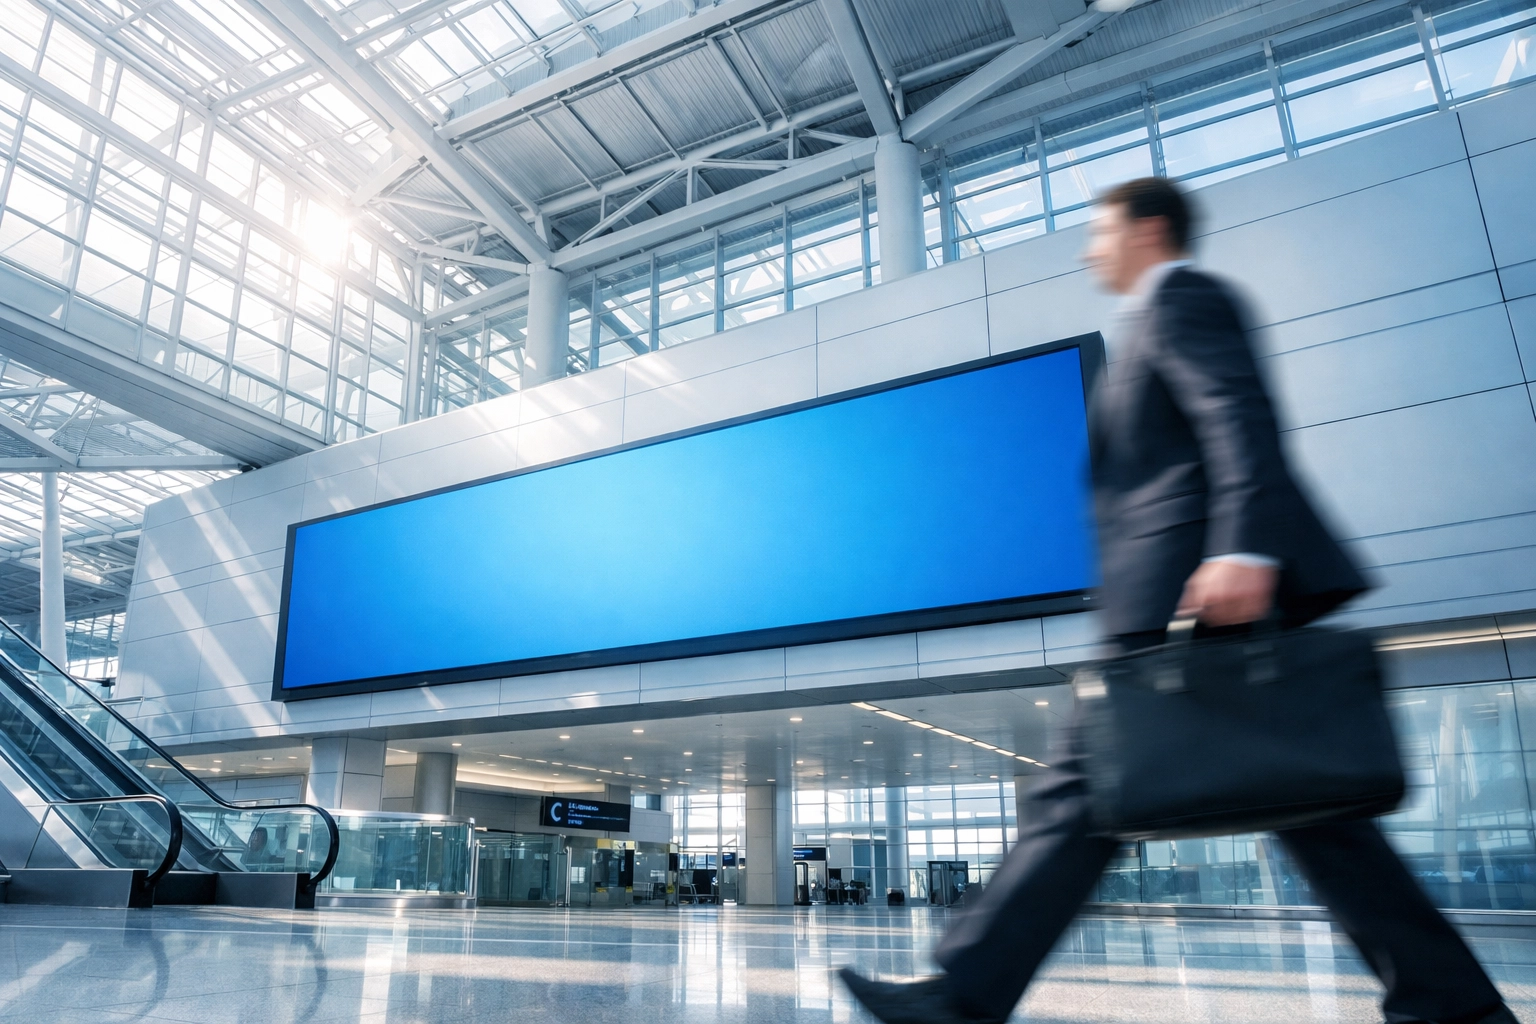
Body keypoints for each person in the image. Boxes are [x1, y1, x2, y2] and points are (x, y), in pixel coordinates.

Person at [839, 177, 1516, 1024]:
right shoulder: (1152, 320)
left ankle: (961, 998)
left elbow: (1238, 415)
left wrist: (1239, 548)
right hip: (1181, 604)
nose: (1091, 249)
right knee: (1312, 814)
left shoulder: (1185, 300)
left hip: (1197, 603)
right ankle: (1452, 1001)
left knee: (1089, 803)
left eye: (1100, 231)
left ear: (1149, 229)